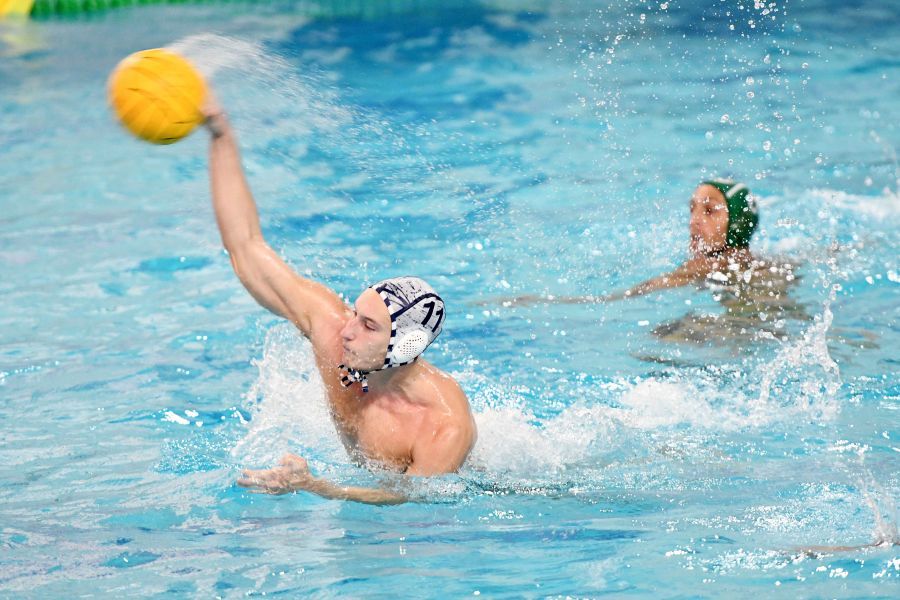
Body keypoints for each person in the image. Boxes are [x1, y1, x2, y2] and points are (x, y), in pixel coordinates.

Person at [201, 92, 476, 505]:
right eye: (356, 313)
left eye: (368, 326)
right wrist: (220, 134)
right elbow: (246, 247)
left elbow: (407, 501)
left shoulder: (443, 427)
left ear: (405, 346)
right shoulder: (334, 330)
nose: (346, 331)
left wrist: (318, 487)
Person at [498, 180, 807, 345]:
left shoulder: (707, 266)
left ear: (738, 223)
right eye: (692, 209)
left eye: (709, 211)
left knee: (662, 337)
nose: (695, 221)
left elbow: (629, 295)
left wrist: (550, 302)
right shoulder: (771, 261)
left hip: (748, 332)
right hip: (778, 329)